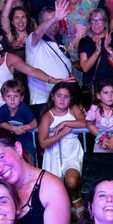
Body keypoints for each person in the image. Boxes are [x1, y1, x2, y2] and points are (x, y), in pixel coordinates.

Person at [38, 82, 86, 210]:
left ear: (70, 99)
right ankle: (63, 208)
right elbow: (42, 142)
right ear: (53, 96)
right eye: (59, 96)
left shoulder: (74, 109)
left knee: (72, 181)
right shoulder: (48, 116)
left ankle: (76, 198)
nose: (62, 99)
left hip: (72, 153)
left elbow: (86, 123)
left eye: (66, 96)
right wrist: (62, 133)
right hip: (53, 154)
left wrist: (66, 123)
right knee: (55, 187)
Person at [0, 80, 38, 162]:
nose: (12, 100)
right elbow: (1, 123)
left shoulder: (24, 108)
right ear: (3, 98)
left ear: (22, 98)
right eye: (8, 96)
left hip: (26, 140)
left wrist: (21, 129)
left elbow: (34, 124)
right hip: (11, 140)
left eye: (16, 96)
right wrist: (14, 129)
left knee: (29, 159)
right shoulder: (3, 109)